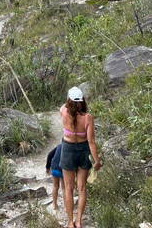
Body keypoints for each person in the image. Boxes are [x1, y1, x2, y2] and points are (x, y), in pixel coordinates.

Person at [59, 86, 101, 228]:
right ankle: (79, 220)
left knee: (68, 187)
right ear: (82, 100)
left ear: (69, 99)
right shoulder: (88, 118)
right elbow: (91, 141)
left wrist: (71, 102)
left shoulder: (63, 111)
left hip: (68, 149)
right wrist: (97, 161)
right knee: (82, 188)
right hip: (83, 150)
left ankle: (70, 222)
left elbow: (65, 105)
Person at [44, 142, 63, 211]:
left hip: (54, 168)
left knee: (55, 187)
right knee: (64, 188)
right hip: (63, 169)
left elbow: (49, 155)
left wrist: (47, 167)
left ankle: (55, 205)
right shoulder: (70, 148)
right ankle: (66, 206)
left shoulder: (59, 146)